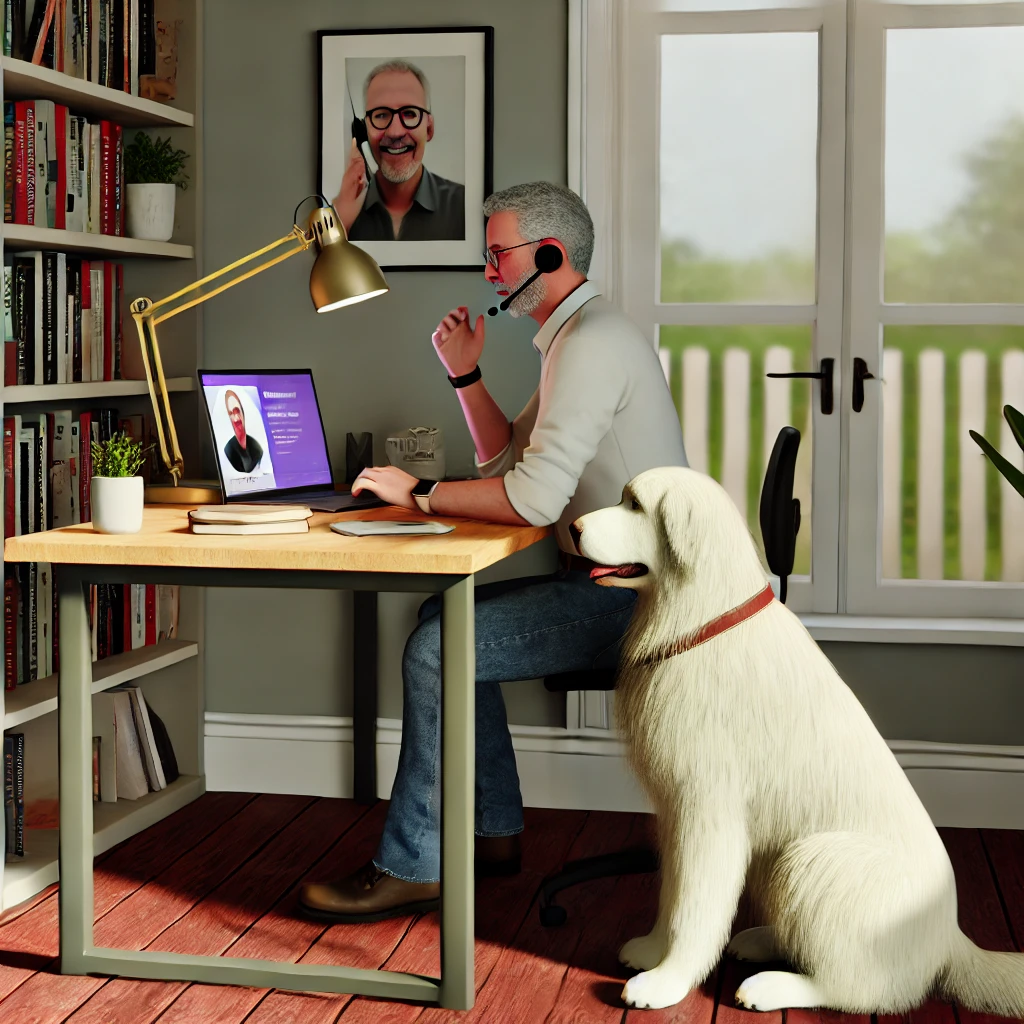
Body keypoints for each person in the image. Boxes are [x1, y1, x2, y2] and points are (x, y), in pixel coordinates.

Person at [297, 181, 688, 923]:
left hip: (635, 598)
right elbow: (505, 461)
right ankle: (493, 831)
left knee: (437, 646)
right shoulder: (580, 337)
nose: (489, 272)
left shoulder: (594, 344)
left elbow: (531, 501)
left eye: (498, 255)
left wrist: (416, 493)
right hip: (618, 581)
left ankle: (412, 865)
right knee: (442, 619)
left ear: (550, 254)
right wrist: (464, 373)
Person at [334, 59, 465, 242]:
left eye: (410, 113)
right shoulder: (342, 212)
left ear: (429, 129)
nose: (395, 132)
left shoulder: (464, 207)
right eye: (381, 115)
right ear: (363, 130)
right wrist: (341, 223)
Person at [221, 389, 263, 474]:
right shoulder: (229, 449)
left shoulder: (257, 448)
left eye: (238, 412)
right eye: (231, 414)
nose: (236, 418)